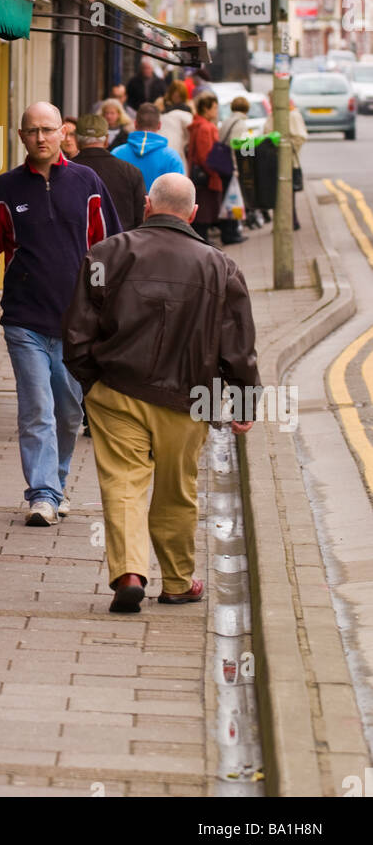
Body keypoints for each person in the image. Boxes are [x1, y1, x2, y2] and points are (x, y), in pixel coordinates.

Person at [63, 173, 260, 612]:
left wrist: (91, 382)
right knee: (177, 490)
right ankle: (176, 582)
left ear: (147, 206)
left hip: (116, 391)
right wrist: (245, 401)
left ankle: (130, 573)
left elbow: (76, 332)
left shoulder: (106, 253)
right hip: (188, 400)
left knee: (124, 486)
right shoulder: (221, 265)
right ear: (193, 214)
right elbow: (238, 347)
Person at [0, 102, 121, 526]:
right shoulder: (4, 188)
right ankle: (41, 493)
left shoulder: (88, 182)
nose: (40, 137)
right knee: (36, 406)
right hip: (24, 319)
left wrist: (111, 306)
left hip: (77, 323)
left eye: (48, 130)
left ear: (64, 133)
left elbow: (110, 246)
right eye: (32, 130)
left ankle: (55, 484)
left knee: (69, 410)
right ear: (20, 137)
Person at [73, 114, 146, 231]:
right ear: (106, 139)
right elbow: (141, 220)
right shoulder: (131, 172)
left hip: (80, 247)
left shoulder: (65, 171)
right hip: (122, 245)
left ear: (76, 140)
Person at [111, 102, 185, 186]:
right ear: (159, 125)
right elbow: (180, 192)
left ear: (135, 124)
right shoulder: (172, 157)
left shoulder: (116, 154)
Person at [264, 100, 308, 231]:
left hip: (288, 163)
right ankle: (284, 223)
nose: (271, 104)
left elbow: (300, 137)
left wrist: (284, 151)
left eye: (272, 100)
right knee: (278, 194)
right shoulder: (274, 115)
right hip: (274, 161)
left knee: (287, 195)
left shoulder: (292, 115)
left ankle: (290, 223)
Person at [188, 93, 224, 242]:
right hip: (207, 177)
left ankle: (203, 240)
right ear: (205, 108)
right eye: (214, 108)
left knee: (203, 210)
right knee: (205, 211)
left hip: (202, 175)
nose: (216, 111)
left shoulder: (199, 125)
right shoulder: (205, 127)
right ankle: (203, 241)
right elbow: (205, 155)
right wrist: (215, 171)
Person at [216, 96, 249, 246]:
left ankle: (229, 231)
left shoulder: (227, 121)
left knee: (226, 199)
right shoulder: (241, 124)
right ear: (246, 109)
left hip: (221, 163)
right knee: (233, 199)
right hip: (231, 166)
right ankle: (231, 233)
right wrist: (240, 168)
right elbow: (242, 148)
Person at [157, 79, 193, 164]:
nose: (177, 98)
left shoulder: (187, 109)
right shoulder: (162, 106)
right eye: (175, 95)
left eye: (180, 96)